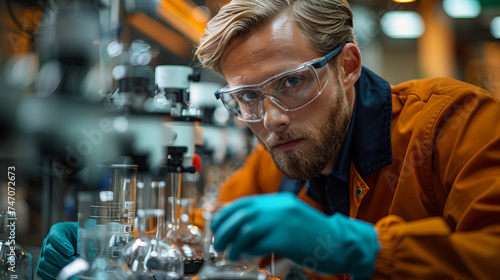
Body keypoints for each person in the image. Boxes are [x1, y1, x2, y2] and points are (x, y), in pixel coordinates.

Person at [37, 0, 500, 279]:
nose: (271, 119)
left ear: (348, 67)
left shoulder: (452, 125)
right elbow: (201, 242)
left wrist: (361, 246)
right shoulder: (274, 165)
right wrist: (111, 247)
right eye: (246, 97)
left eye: (292, 83)